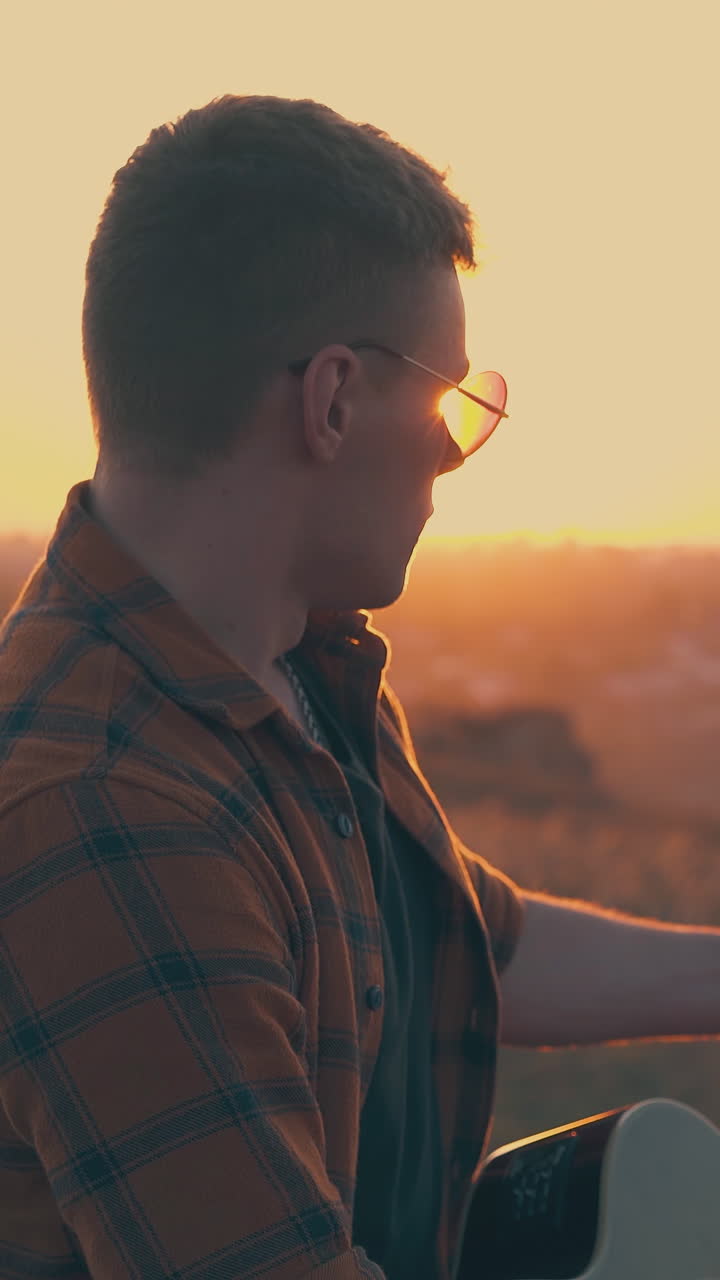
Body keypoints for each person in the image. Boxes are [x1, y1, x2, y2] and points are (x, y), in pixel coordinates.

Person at [0, 94, 718, 1280]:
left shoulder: (294, 658)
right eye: (451, 402)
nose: (452, 453)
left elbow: (462, 936)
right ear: (332, 401)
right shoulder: (105, 810)